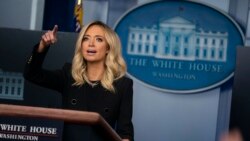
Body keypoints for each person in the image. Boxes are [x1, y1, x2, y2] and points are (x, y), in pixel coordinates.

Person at [23, 21, 134, 141]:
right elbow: (31, 74)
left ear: (108, 48)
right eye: (86, 39)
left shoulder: (123, 85)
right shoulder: (69, 76)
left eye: (98, 39)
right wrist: (42, 46)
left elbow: (125, 132)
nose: (91, 44)